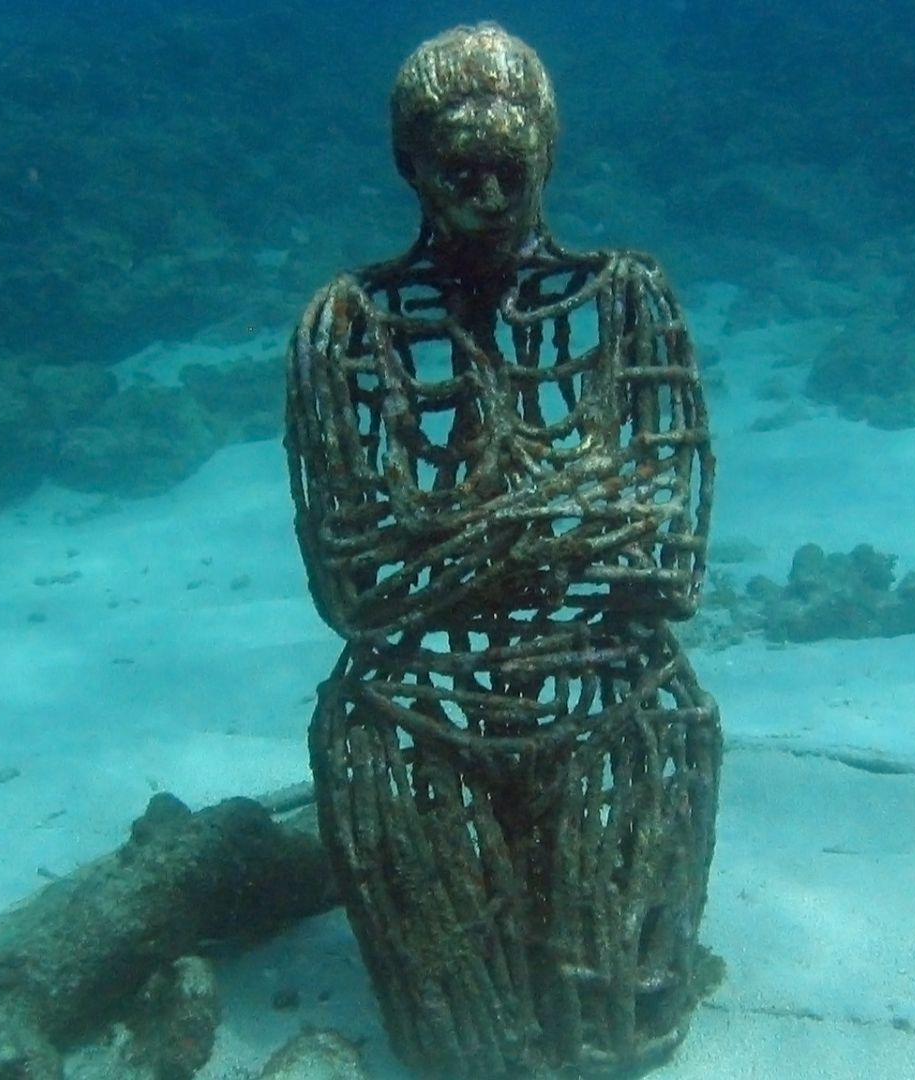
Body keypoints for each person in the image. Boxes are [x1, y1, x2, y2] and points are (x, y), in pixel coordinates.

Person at [284, 24, 722, 1078]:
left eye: (507, 170)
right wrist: (559, 519)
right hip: (413, 706)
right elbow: (355, 595)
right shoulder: (346, 325)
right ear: (412, 167)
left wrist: (459, 539)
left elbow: (672, 567)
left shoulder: (628, 298)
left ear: (548, 157)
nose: (485, 197)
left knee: (618, 1029)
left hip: (609, 688)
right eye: (458, 171)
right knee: (473, 1049)